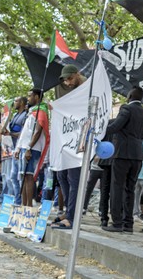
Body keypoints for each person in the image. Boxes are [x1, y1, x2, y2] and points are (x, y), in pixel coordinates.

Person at [102, 86, 143, 233]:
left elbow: (116, 126)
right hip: (137, 155)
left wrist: (101, 126)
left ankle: (116, 223)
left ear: (129, 95)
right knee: (130, 189)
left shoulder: (126, 109)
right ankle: (128, 224)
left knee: (117, 187)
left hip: (122, 153)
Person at [52, 64, 86, 228]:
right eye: (65, 80)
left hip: (80, 140)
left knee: (74, 179)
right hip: (66, 139)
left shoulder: (88, 87)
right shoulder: (67, 90)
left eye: (70, 78)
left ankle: (72, 217)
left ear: (77, 74)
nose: (67, 82)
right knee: (61, 176)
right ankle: (69, 210)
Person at [15, 89, 49, 207]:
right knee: (23, 177)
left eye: (30, 96)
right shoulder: (32, 112)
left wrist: (29, 147)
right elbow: (25, 132)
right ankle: (23, 205)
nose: (28, 99)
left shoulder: (42, 111)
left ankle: (29, 207)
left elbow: (38, 132)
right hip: (24, 147)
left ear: (37, 97)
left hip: (32, 148)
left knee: (29, 177)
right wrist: (18, 148)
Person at [9, 97, 28, 205]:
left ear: (21, 102)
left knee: (20, 177)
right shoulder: (15, 115)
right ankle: (17, 200)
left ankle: (22, 202)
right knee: (13, 177)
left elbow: (23, 133)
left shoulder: (25, 115)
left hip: (21, 148)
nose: (14, 103)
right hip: (14, 148)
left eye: (15, 101)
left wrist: (10, 134)